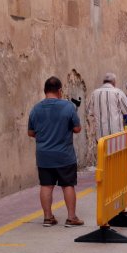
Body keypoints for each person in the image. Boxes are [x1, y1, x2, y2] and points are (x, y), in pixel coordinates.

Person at [28, 76, 84, 227]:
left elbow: (31, 133)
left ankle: (47, 217)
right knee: (68, 185)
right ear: (60, 91)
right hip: (64, 155)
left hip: (44, 155)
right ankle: (71, 218)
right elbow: (77, 129)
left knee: (46, 185)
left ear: (44, 91)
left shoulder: (36, 108)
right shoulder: (68, 107)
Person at [87, 73, 127, 140]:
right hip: (116, 134)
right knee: (115, 150)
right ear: (114, 82)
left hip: (100, 135)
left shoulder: (94, 93)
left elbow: (90, 112)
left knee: (102, 150)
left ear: (103, 82)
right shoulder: (118, 92)